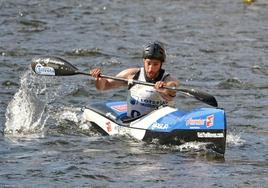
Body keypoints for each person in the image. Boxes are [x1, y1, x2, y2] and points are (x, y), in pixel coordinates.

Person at [90, 41, 179, 118]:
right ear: (144, 61)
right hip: (133, 121)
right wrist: (99, 78)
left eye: (155, 64)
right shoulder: (132, 75)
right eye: (148, 63)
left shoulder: (167, 79)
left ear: (161, 63)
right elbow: (104, 86)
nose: (151, 68)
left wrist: (164, 89)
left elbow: (172, 87)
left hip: (160, 124)